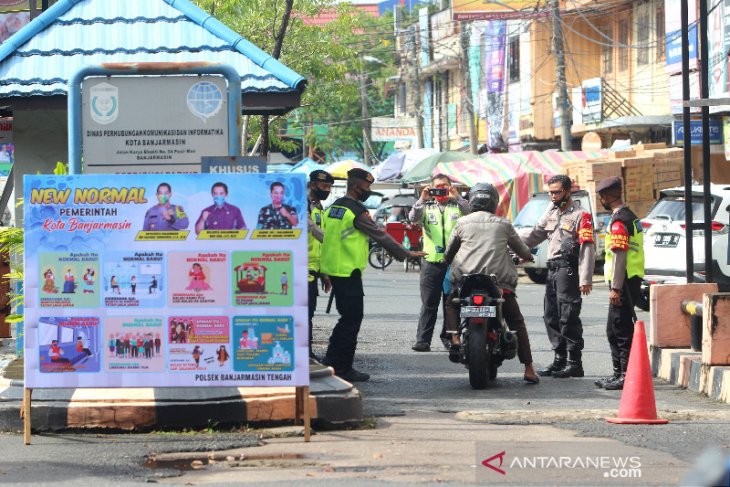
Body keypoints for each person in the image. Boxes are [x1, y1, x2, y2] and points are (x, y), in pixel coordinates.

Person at [320, 168, 426, 382]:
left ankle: (333, 361)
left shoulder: (334, 207)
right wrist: (405, 253)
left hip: (333, 269)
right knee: (351, 320)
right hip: (348, 271)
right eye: (367, 187)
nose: (368, 190)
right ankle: (341, 367)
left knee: (346, 319)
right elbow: (380, 235)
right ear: (357, 186)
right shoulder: (355, 211)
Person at [442, 183, 540, 383]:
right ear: (494, 202)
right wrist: (528, 256)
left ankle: (455, 338)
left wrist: (448, 258)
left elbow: (449, 253)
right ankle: (529, 368)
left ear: (471, 201)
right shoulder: (503, 224)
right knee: (516, 322)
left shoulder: (462, 223)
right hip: (499, 284)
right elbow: (521, 250)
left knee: (452, 302)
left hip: (466, 281)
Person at [521, 174, 595, 378]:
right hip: (552, 269)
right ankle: (559, 358)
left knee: (568, 314)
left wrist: (585, 279)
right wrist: (509, 239)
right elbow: (535, 234)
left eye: (556, 192)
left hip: (568, 269)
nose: (552, 196)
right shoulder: (551, 210)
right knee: (550, 315)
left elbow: (587, 248)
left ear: (567, 191)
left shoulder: (581, 215)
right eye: (550, 192)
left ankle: (574, 362)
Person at [409, 174, 470, 352]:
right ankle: (423, 341)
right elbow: (413, 218)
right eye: (437, 187)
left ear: (450, 187)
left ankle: (450, 338)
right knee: (429, 303)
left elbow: (471, 214)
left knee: (453, 302)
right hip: (431, 262)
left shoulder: (457, 205)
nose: (441, 190)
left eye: (444, 186)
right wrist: (422, 198)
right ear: (431, 188)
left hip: (455, 262)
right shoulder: (426, 206)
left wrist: (457, 197)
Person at [594, 176, 645, 390]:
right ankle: (617, 374)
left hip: (623, 281)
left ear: (607, 196)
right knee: (612, 329)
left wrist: (615, 287)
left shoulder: (619, 221)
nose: (601, 200)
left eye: (602, 196)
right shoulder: (629, 216)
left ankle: (625, 375)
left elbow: (620, 255)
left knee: (621, 329)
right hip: (627, 279)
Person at [307, 169, 334, 360]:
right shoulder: (302, 204)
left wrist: (324, 272)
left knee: (309, 313)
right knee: (303, 315)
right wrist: (336, 243)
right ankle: (304, 353)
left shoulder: (319, 206)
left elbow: (318, 245)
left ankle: (306, 351)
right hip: (299, 269)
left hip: (314, 270)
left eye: (329, 187)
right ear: (314, 184)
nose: (327, 190)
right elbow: (313, 230)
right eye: (324, 186)